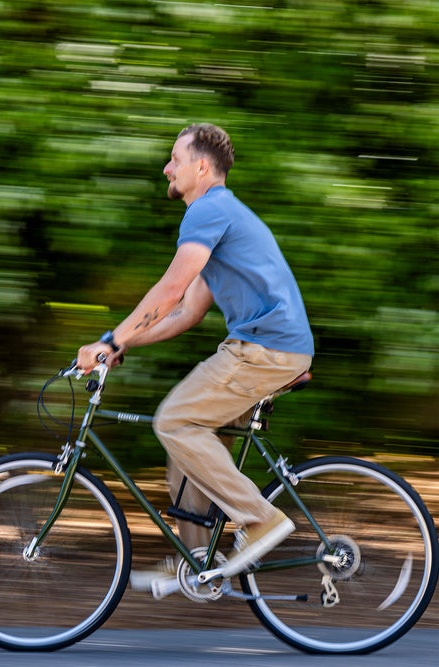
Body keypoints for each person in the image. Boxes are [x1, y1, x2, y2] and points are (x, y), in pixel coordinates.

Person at [77, 123, 314, 596]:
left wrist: (108, 338)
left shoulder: (208, 209)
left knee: (174, 422)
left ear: (201, 166)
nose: (167, 167)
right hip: (262, 347)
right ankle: (197, 565)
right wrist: (124, 344)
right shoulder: (222, 215)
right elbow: (187, 310)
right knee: (186, 445)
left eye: (175, 159)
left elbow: (167, 290)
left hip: (265, 349)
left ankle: (261, 520)